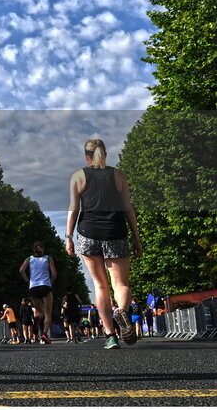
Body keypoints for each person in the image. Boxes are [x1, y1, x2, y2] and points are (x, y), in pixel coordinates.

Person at [65, 138, 142, 350]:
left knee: (101, 286)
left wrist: (69, 237)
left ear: (86, 156)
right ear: (105, 154)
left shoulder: (78, 176)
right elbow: (128, 208)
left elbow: (74, 209)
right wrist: (136, 237)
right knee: (121, 284)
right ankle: (122, 312)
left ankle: (110, 336)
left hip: (88, 233)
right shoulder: (118, 175)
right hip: (115, 231)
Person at [19, 240, 57, 344]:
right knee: (48, 313)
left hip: (33, 287)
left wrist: (28, 281)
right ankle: (44, 334)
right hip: (45, 285)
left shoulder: (29, 259)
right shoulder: (48, 258)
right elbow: (54, 274)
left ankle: (36, 323)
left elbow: (21, 270)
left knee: (39, 312)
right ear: (43, 248)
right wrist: (51, 282)